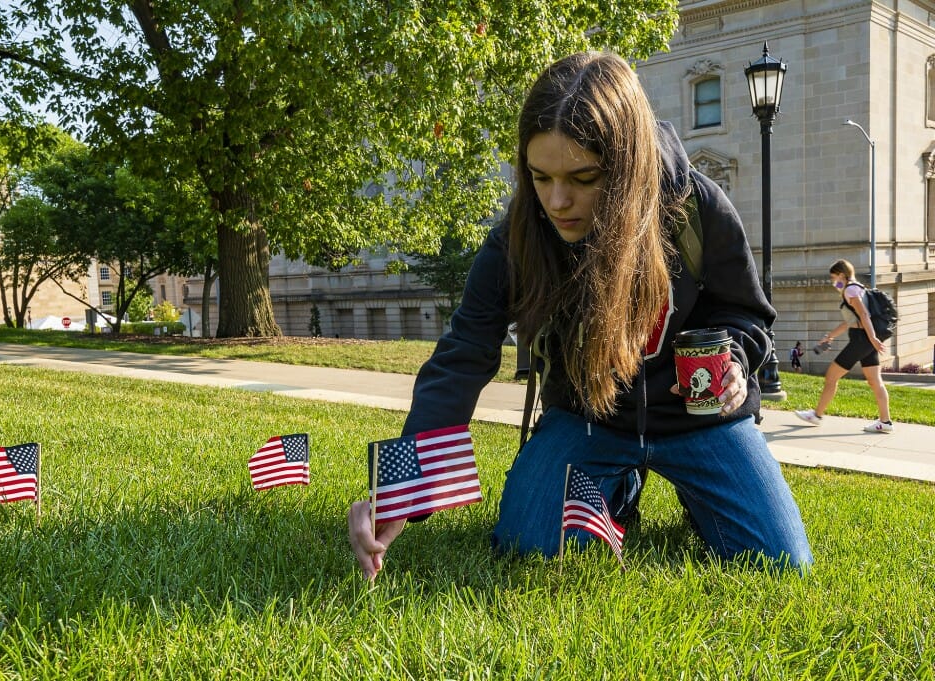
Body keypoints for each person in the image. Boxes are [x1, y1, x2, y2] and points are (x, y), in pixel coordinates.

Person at [347, 51, 813, 579]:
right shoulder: (517, 239)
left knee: (780, 564)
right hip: (588, 419)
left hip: (699, 422)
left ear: (627, 165)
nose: (558, 201)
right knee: (529, 548)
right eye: (540, 177)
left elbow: (746, 313)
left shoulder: (695, 207)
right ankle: (620, 487)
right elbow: (462, 357)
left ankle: (694, 490)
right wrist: (397, 493)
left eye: (584, 177)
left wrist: (732, 356)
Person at [794, 259, 892, 433]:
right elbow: (850, 321)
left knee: (831, 376)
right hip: (865, 339)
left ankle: (816, 415)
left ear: (842, 274)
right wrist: (829, 336)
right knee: (875, 381)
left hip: (861, 340)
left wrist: (873, 338)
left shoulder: (850, 290)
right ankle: (885, 422)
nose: (833, 281)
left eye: (834, 277)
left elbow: (864, 314)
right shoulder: (858, 288)